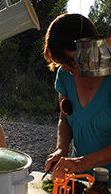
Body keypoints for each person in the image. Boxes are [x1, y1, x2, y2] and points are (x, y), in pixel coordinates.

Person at [43, 13, 111, 184]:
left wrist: (81, 162)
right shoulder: (65, 76)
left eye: (70, 61)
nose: (64, 68)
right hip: (79, 180)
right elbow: (64, 119)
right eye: (60, 62)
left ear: (91, 50)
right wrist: (61, 149)